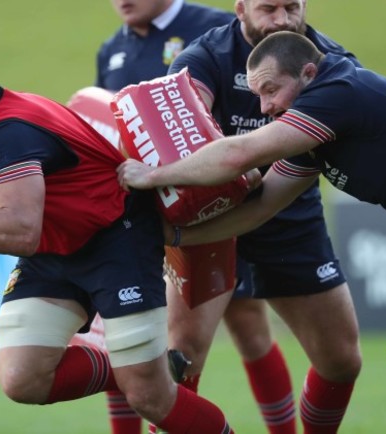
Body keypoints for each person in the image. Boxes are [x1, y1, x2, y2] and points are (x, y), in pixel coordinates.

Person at [0, 76, 237, 434]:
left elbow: (21, 231)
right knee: (22, 378)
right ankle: (133, 366)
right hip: (54, 245)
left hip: (115, 237)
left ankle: (142, 373)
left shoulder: (7, 135)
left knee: (149, 398)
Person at [118, 29, 386, 388]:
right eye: (258, 95)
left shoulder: (338, 92)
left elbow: (238, 155)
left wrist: (155, 174)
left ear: (308, 74)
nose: (265, 108)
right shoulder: (313, 139)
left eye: (272, 90)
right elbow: (259, 209)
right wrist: (177, 235)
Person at [139, 1, 364, 433]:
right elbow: (177, 132)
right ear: (240, 8)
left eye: (291, 6)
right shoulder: (202, 59)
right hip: (208, 221)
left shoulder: (331, 63)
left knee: (341, 359)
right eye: (268, 8)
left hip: (290, 216)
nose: (282, 19)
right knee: (179, 358)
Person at [95, 1, 249, 433]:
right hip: (136, 214)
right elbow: (104, 126)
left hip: (211, 207)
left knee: (241, 330)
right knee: (123, 331)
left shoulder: (214, 28)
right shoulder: (111, 50)